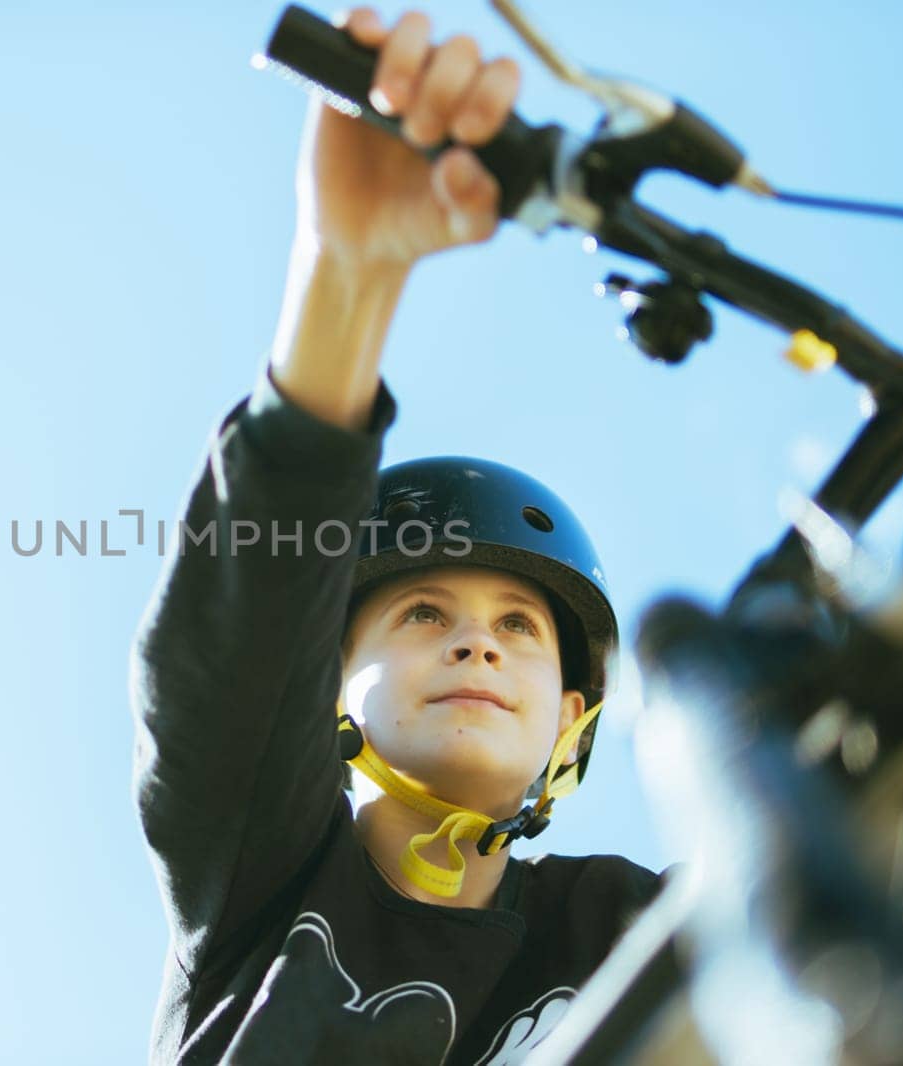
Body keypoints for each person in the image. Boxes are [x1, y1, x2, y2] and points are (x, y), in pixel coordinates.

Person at [129, 9, 660, 1063]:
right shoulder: (265, 874)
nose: (479, 644)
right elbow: (231, 657)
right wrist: (350, 272)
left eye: (519, 624)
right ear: (321, 685)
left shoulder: (617, 928)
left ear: (569, 717)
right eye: (425, 612)